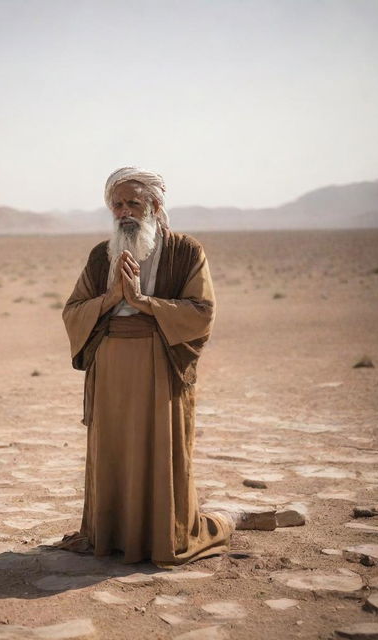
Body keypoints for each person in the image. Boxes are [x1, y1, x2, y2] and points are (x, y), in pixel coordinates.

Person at [57, 167, 280, 568]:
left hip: (160, 366)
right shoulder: (99, 256)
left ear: (155, 206)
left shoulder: (185, 251)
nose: (125, 211)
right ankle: (113, 536)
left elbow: (201, 312)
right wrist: (111, 299)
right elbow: (73, 311)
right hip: (110, 369)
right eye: (118, 204)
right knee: (114, 453)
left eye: (134, 203)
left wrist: (144, 302)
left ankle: (165, 536)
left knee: (158, 452)